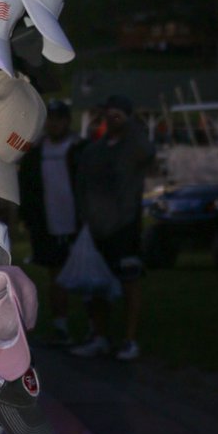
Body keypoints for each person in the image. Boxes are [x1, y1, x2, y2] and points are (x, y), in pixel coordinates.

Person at [71, 94, 155, 361]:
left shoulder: (133, 147)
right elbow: (81, 185)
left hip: (125, 226)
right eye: (109, 113)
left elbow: (148, 152)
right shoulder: (94, 151)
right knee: (96, 285)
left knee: (130, 282)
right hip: (96, 229)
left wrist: (131, 125)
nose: (112, 117)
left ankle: (129, 340)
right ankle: (99, 336)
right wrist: (84, 217)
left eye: (118, 113)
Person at [18, 98, 83, 345]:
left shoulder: (78, 150)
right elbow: (27, 189)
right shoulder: (35, 155)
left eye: (58, 119)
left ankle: (92, 327)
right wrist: (28, 218)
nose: (53, 125)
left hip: (77, 223)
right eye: (50, 120)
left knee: (80, 271)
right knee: (55, 275)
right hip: (48, 223)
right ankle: (61, 325)